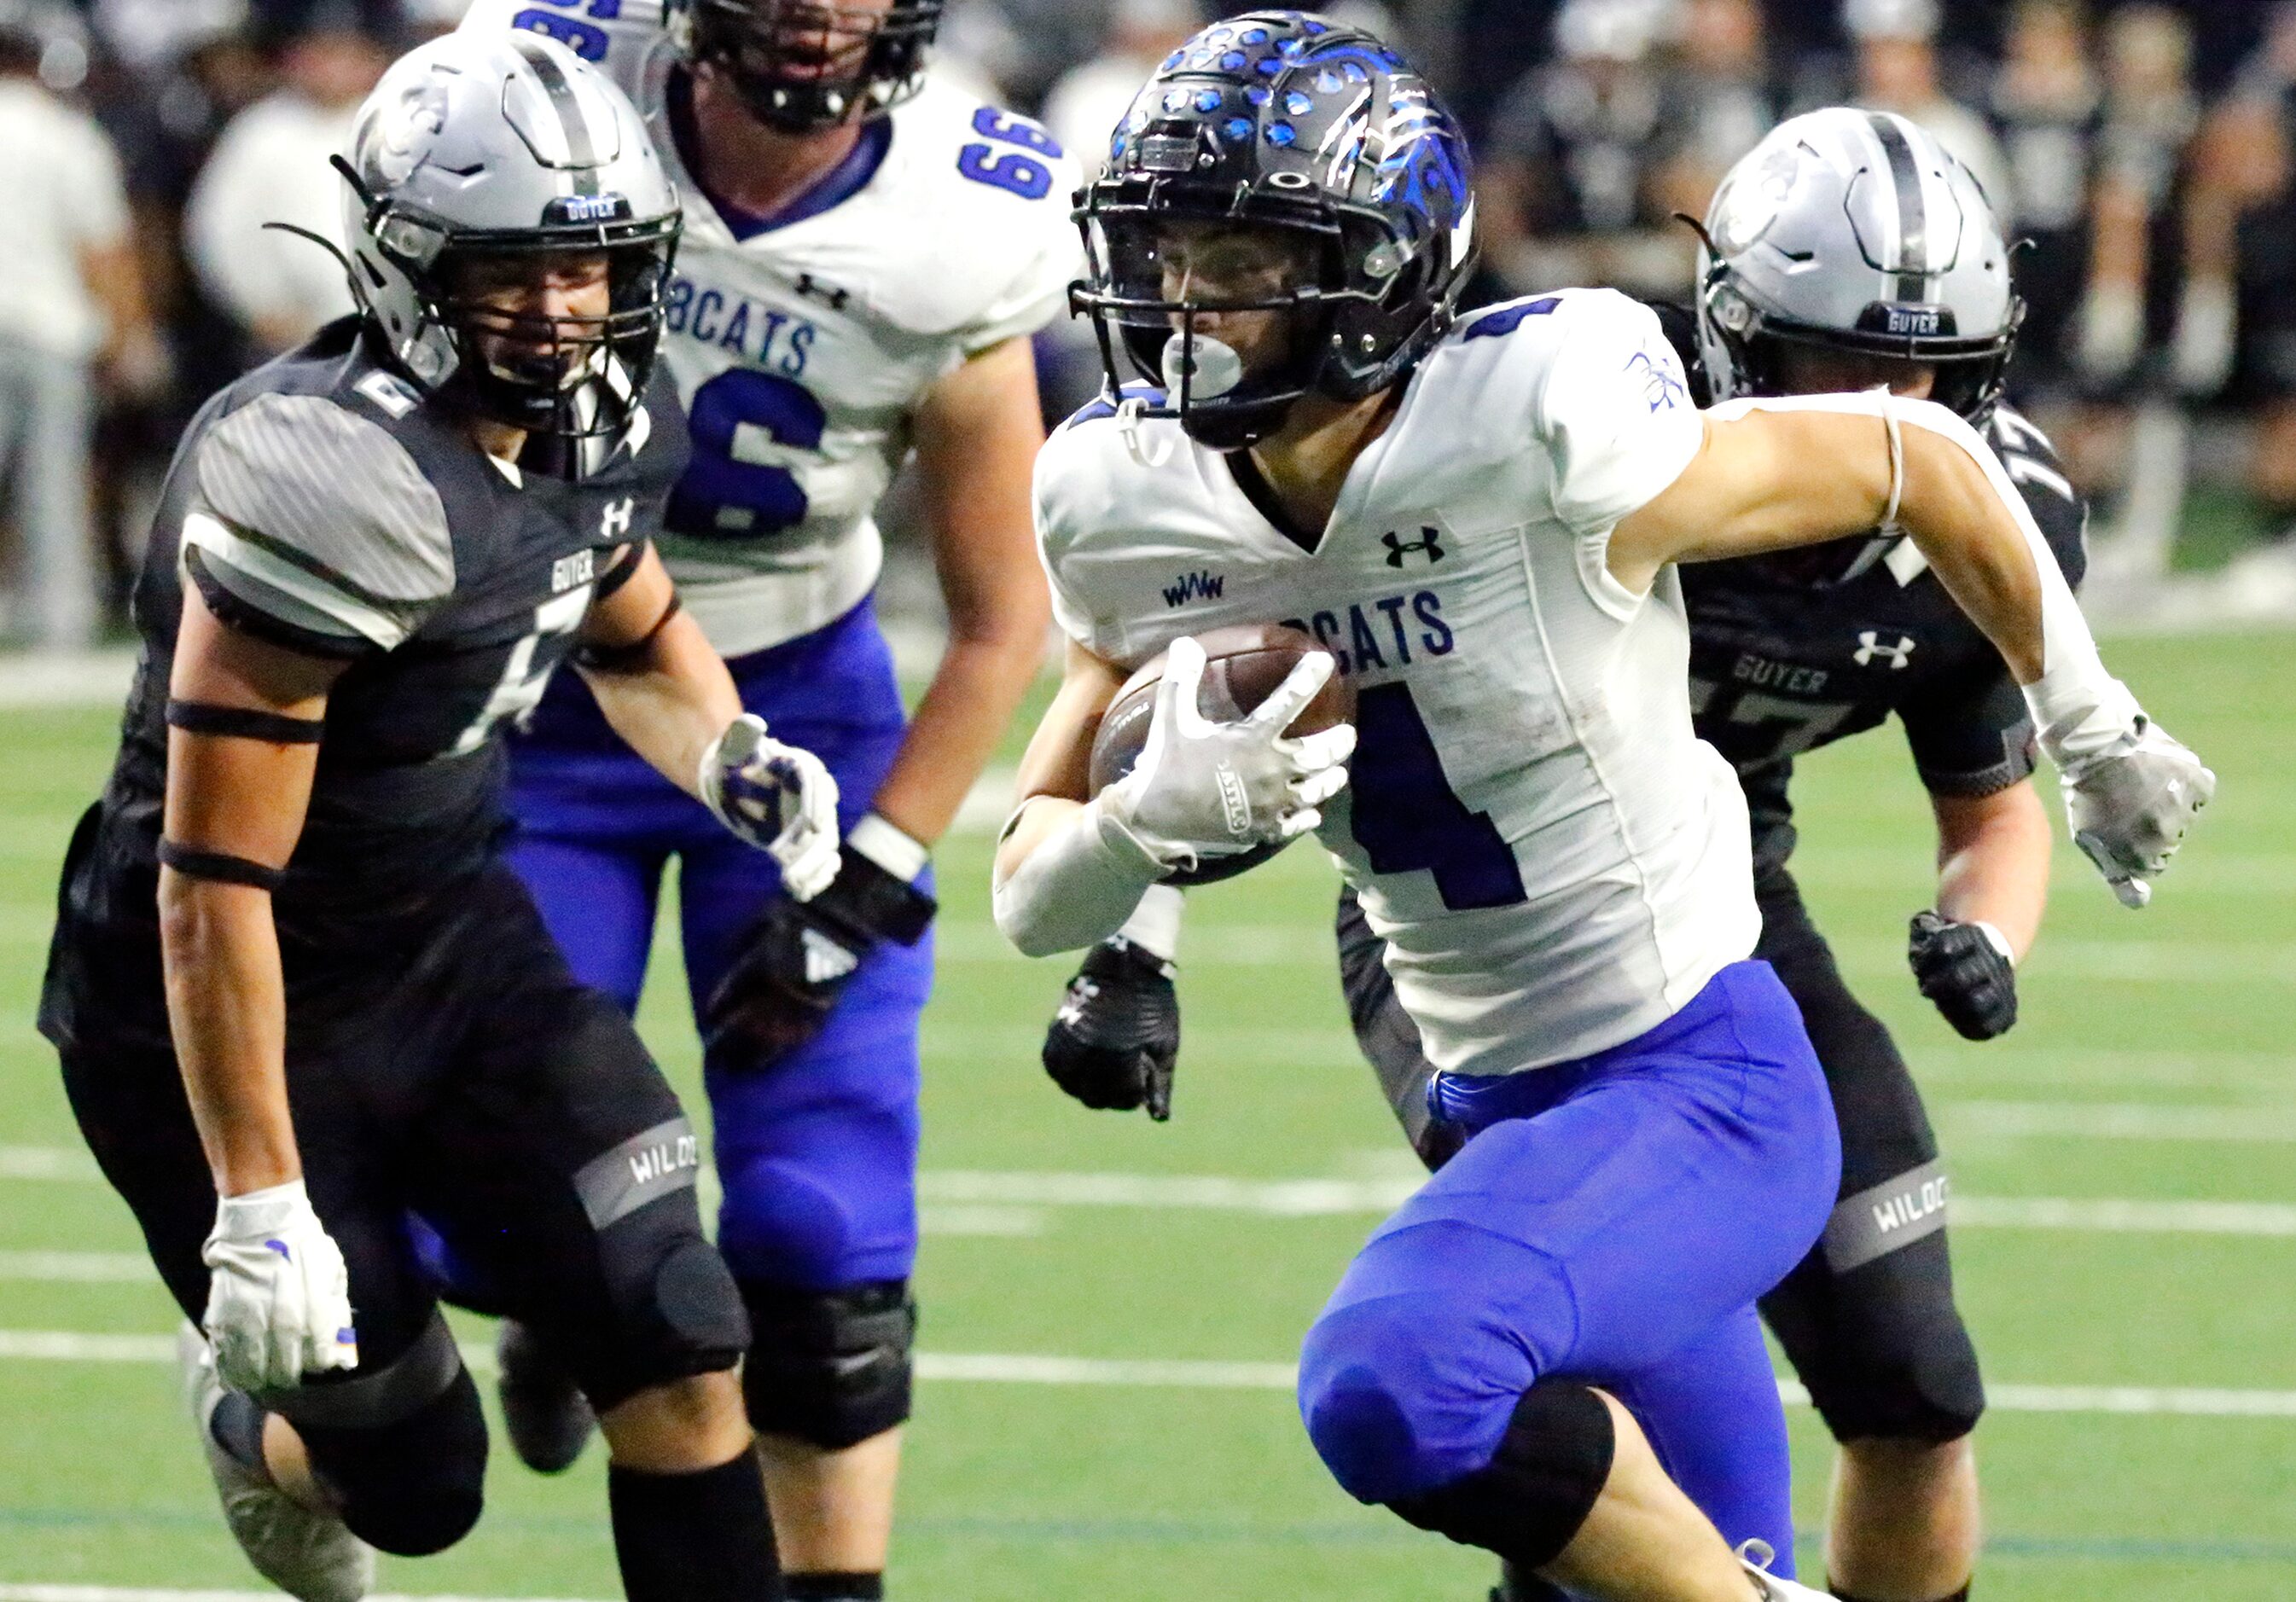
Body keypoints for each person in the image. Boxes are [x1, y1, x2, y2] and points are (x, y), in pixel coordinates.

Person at [997, 16, 2210, 1602]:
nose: (1186, 307)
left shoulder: (1543, 407)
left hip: (1700, 1077)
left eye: (1241, 259)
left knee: (1397, 1375)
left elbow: (1917, 450)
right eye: (1166, 254)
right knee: (1582, 1563)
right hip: (1493, 1091)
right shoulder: (1116, 491)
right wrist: (1137, 834)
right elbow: (1031, 892)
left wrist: (2091, 723)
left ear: (1378, 267)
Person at [38, 30, 840, 1602]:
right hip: (220, 996)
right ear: (407, 261)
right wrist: (260, 1201)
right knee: (417, 1488)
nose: (559, 309)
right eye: (507, 271)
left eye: (588, 264)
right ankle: (249, 1419)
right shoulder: (323, 478)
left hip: (453, 935)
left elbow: (624, 615)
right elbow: (213, 885)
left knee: (678, 1326)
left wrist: (731, 750)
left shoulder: (605, 414)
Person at [455, 3, 1071, 1597]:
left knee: (816, 1226)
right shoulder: (546, 91)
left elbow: (1004, 613)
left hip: (802, 712)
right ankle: (546, 1299)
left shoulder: (963, 214)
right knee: (507, 1188)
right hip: (541, 705)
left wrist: (872, 868)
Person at [0, 0, 165, 648]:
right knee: (55, 486)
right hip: (50, 336)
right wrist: (132, 338)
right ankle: (61, 623)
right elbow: (104, 250)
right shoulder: (65, 134)